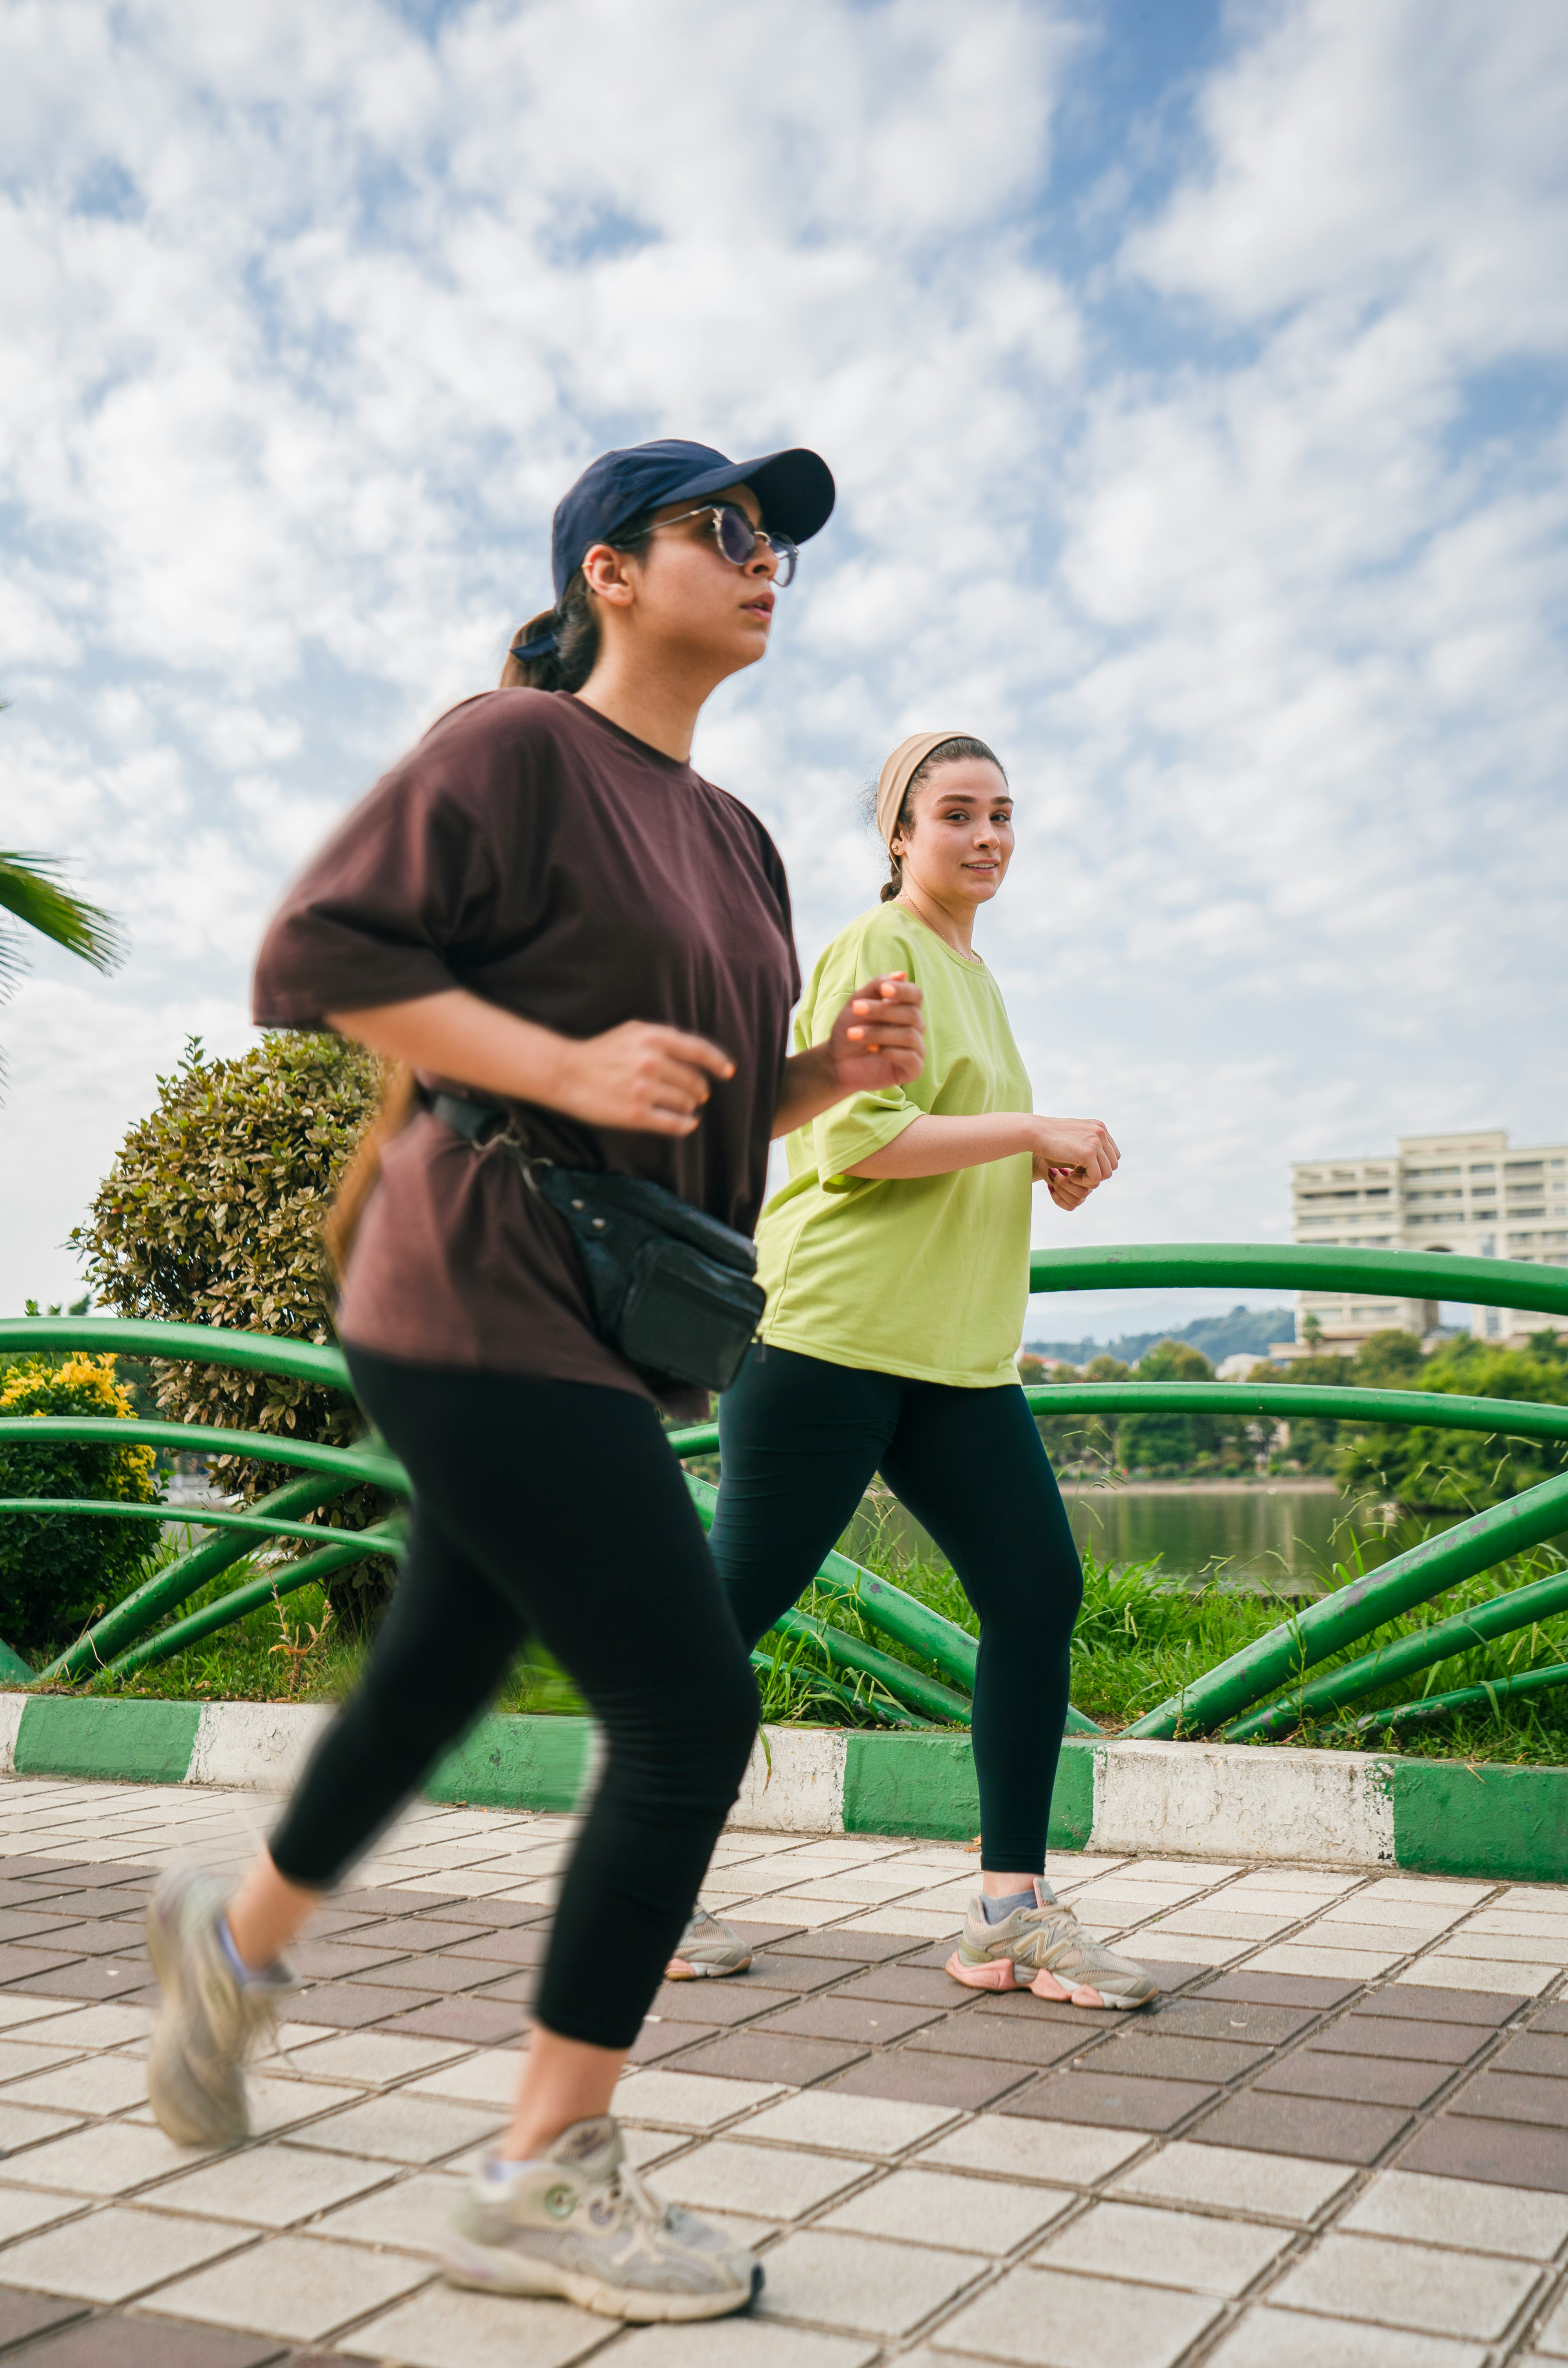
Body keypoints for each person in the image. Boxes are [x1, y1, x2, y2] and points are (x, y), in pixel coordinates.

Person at [142, 439, 927, 2325]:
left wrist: (826, 1076)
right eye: (724, 530)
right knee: (688, 1702)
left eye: (778, 544)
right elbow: (311, 955)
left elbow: (705, 1097)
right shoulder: (511, 749)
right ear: (609, 571)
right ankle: (538, 2175)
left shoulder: (738, 836)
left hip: (601, 1310)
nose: (763, 563)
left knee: (443, 1657)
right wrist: (561, 1071)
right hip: (467, 1275)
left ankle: (230, 1949)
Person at [669, 729, 1158, 2010]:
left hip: (956, 1360)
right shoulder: (874, 948)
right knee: (726, 1620)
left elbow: (946, 1139)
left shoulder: (975, 978)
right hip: (829, 1339)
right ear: (900, 835)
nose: (989, 836)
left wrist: (1041, 1164)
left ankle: (1009, 1913)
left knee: (1038, 1590)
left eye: (1005, 813)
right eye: (958, 814)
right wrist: (1034, 1126)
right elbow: (858, 1142)